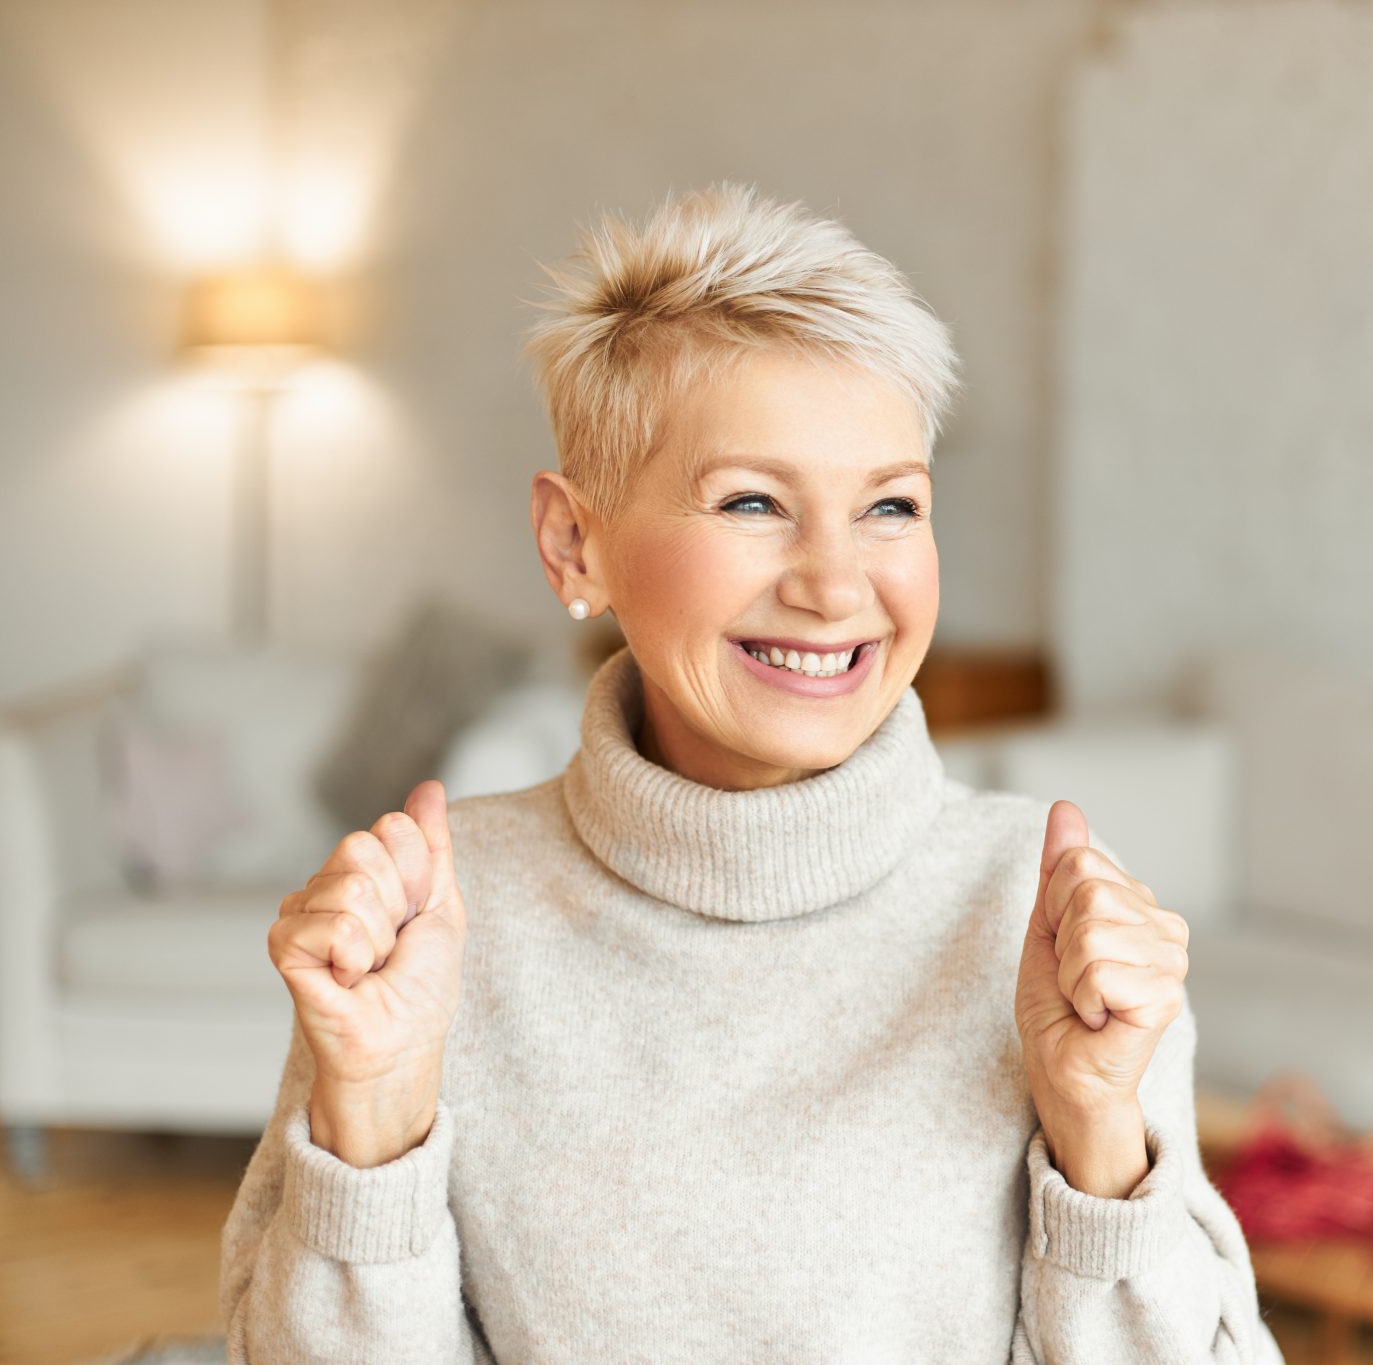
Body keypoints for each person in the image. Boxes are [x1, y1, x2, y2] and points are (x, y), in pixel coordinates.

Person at [218, 180, 1284, 1363]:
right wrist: (369, 1116)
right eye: (752, 502)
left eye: (889, 505)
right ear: (576, 541)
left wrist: (1097, 1134)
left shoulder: (1041, 911)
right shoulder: (435, 926)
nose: (835, 585)